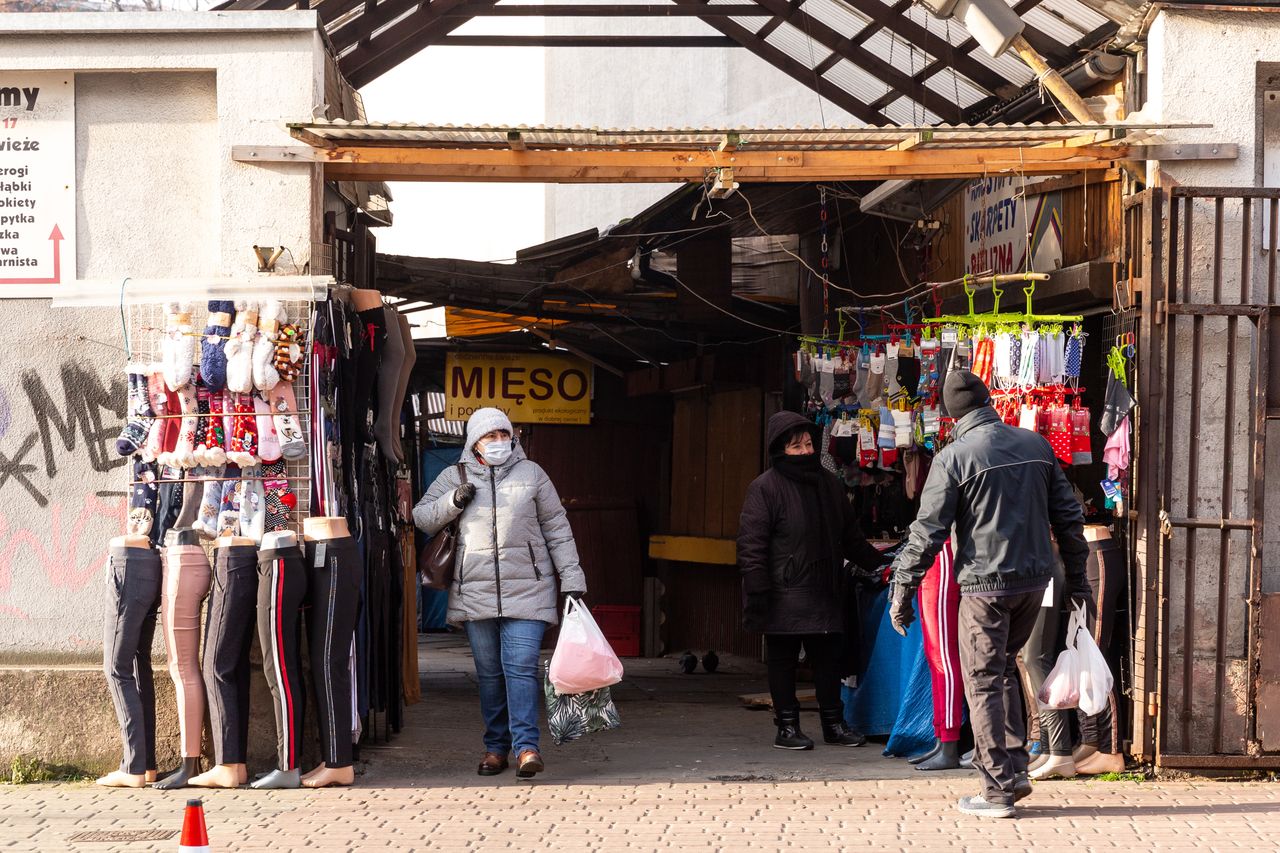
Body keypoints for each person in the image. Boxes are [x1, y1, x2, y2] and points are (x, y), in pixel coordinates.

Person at [888, 371, 1089, 819]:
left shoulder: (953, 457)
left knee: (983, 680)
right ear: (987, 401)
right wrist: (1079, 579)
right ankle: (1013, 771)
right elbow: (1069, 515)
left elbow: (927, 533)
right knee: (999, 674)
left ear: (951, 413)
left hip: (986, 586)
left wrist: (902, 586)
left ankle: (997, 789)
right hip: (1034, 581)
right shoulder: (1035, 445)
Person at [414, 408, 587, 779]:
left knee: (521, 669)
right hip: (474, 591)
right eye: (489, 436)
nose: (498, 442)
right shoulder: (452, 476)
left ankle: (527, 748)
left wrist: (572, 577)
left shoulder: (533, 474)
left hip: (529, 588)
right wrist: (453, 502)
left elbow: (558, 528)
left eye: (503, 435)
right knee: (490, 674)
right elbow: (422, 517)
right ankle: (496, 748)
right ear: (474, 441)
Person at [738, 411, 890, 751]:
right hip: (782, 591)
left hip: (824, 587)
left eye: (808, 444)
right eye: (796, 446)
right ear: (780, 450)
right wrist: (758, 589)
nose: (806, 451)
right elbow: (751, 546)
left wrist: (882, 564)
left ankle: (833, 724)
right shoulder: (764, 489)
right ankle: (787, 727)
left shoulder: (829, 484)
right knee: (783, 660)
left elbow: (850, 537)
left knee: (829, 659)